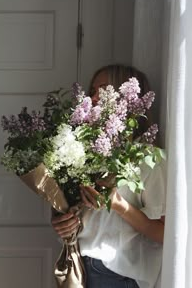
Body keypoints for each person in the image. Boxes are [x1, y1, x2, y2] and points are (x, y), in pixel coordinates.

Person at [51, 64, 167, 288]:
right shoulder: (83, 151)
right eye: (92, 90)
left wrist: (117, 205)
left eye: (102, 89)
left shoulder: (148, 157)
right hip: (78, 264)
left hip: (115, 271)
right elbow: (85, 216)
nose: (92, 98)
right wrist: (63, 222)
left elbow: (165, 233)